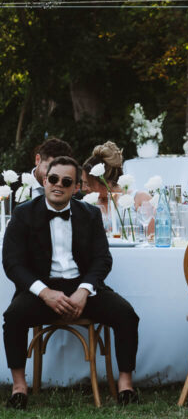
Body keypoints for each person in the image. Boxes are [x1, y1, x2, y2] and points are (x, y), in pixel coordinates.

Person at [2, 156, 141, 408]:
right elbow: (12, 263)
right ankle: (19, 387)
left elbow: (102, 259)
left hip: (81, 287)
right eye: (53, 179)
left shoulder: (89, 214)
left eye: (66, 181)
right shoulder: (23, 214)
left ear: (76, 187)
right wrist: (44, 293)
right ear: (45, 180)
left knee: (126, 315)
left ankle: (125, 385)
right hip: (40, 290)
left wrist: (84, 290)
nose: (58, 185)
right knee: (13, 317)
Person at [82, 142, 152, 236]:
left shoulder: (140, 199)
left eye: (88, 184)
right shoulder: (89, 205)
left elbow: (153, 240)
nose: (83, 188)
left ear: (104, 181)